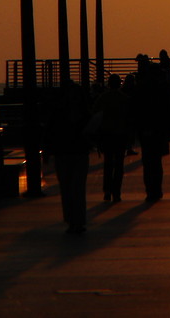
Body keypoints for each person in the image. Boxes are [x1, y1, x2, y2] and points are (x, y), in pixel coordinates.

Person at [42, 80, 91, 234]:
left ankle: (76, 220)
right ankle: (72, 219)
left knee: (76, 188)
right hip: (65, 153)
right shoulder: (65, 113)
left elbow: (49, 132)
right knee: (68, 188)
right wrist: (47, 151)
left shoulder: (77, 114)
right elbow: (50, 133)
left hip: (76, 153)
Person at [135, 54, 170, 201]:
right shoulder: (162, 89)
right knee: (156, 163)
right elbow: (166, 111)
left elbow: (138, 109)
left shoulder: (142, 87)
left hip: (147, 130)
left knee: (148, 163)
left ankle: (151, 190)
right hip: (158, 130)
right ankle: (156, 189)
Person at [93, 73, 130, 202]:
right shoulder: (124, 99)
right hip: (120, 134)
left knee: (108, 163)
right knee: (119, 164)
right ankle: (116, 191)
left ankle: (107, 190)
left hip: (107, 134)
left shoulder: (103, 98)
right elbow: (129, 118)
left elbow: (95, 114)